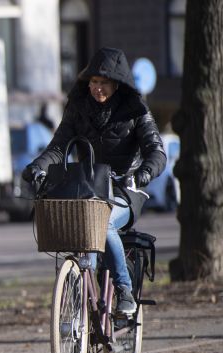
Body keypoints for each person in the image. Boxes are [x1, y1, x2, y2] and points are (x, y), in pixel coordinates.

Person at [22, 47, 166, 315]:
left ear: (117, 85)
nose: (98, 88)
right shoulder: (78, 108)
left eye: (104, 84)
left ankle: (124, 291)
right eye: (94, 82)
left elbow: (156, 151)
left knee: (104, 222)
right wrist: (36, 167)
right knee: (77, 229)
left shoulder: (135, 110)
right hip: (88, 188)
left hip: (124, 191)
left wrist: (143, 173)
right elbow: (58, 148)